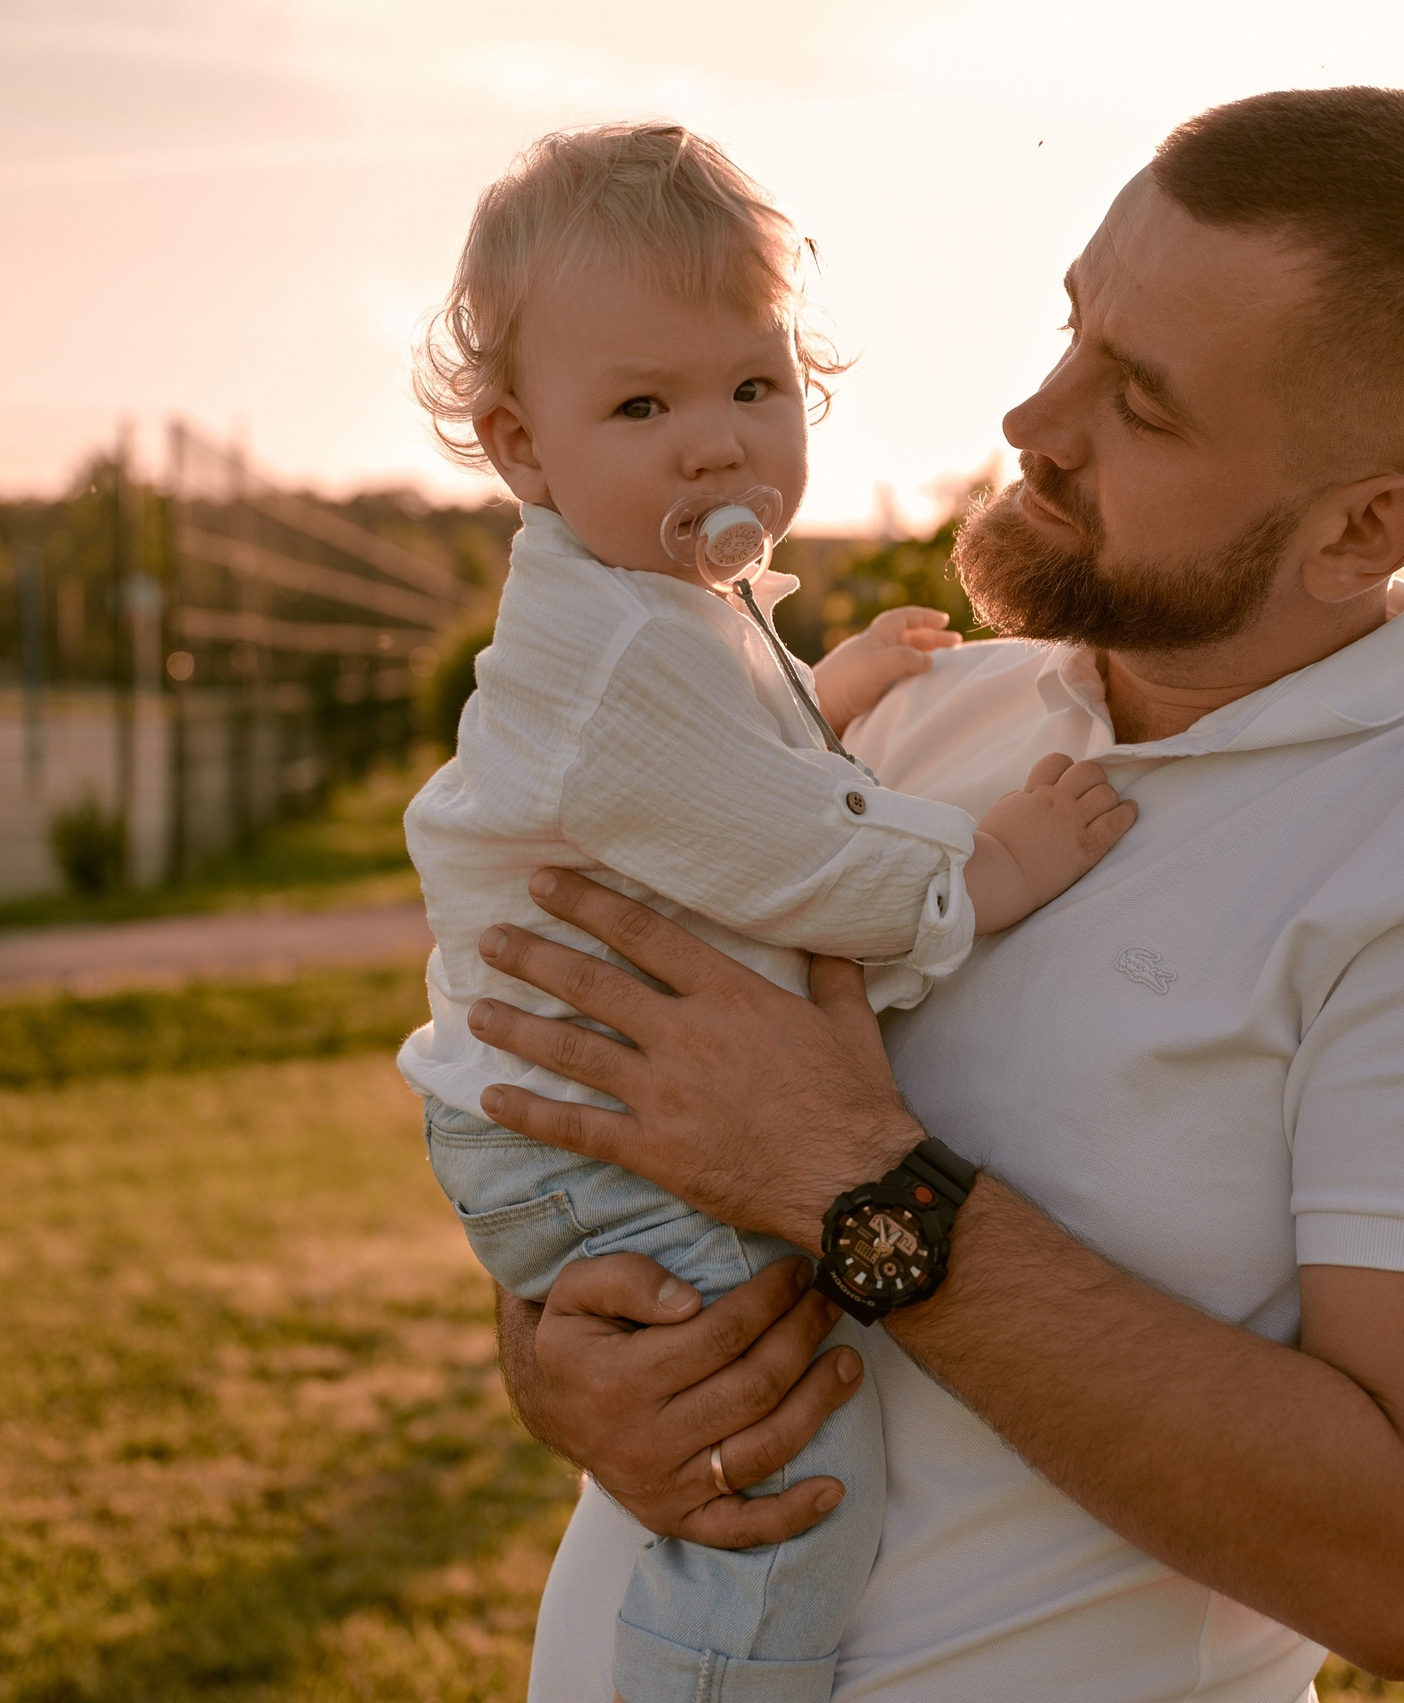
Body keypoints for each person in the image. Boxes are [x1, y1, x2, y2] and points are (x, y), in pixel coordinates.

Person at [463, 87, 1404, 1701]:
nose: (1032, 417)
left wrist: (847, 1176)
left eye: (1143, 404)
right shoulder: (909, 722)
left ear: (1363, 527)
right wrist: (556, 1361)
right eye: (1071, 331)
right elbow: (631, 1153)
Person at [395, 123, 1138, 1702]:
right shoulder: (616, 660)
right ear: (524, 449)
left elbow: (728, 750)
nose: (715, 446)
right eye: (642, 407)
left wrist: (830, 687)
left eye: (753, 387)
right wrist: (988, 868)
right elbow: (795, 857)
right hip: (575, 1133)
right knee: (791, 1470)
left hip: (572, 1109)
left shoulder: (653, 605)